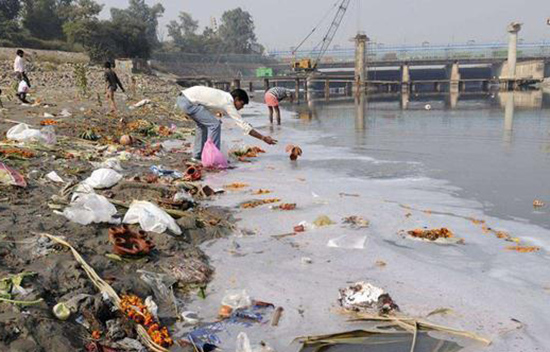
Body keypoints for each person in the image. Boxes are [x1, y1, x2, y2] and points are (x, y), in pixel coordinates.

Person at [177, 86, 277, 162]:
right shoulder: (228, 102)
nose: (241, 108)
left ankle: (197, 157)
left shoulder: (223, 96)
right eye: (241, 104)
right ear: (236, 99)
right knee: (214, 125)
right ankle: (214, 158)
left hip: (184, 98)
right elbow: (243, 125)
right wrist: (263, 138)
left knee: (202, 126)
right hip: (188, 101)